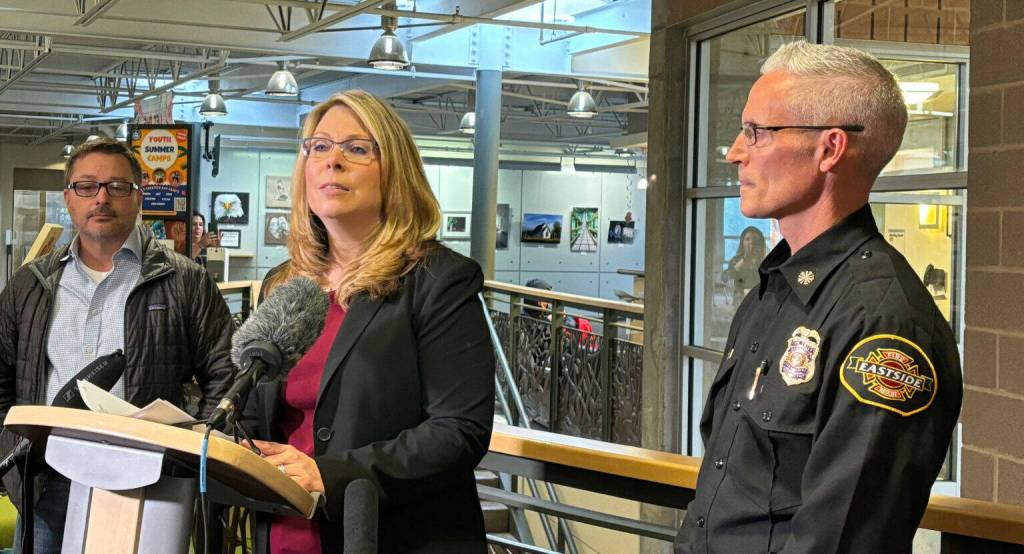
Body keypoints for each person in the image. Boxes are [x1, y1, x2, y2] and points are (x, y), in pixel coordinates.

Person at [674, 41, 963, 554]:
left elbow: (842, 539)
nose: (735, 152)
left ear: (829, 149)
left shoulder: (882, 324)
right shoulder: (774, 291)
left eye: (757, 131)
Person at [243, 90, 495, 554]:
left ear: (395, 171)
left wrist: (331, 475)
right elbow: (260, 415)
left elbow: (459, 429)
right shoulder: (283, 283)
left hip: (390, 537)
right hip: (285, 534)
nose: (332, 161)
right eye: (319, 146)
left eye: (356, 148)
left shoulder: (438, 280)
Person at [0, 138, 236, 553]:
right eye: (87, 186)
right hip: (47, 480)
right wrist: (13, 454)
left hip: (149, 481)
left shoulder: (186, 282)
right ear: (68, 198)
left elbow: (225, 375)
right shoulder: (29, 284)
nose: (102, 198)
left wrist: (187, 455)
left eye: (118, 186)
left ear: (138, 197)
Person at [722, 225, 766, 305]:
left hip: (760, 303)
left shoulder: (765, 262)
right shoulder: (735, 261)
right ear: (742, 242)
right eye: (747, 239)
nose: (751, 243)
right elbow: (726, 278)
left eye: (755, 240)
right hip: (740, 302)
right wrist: (744, 259)